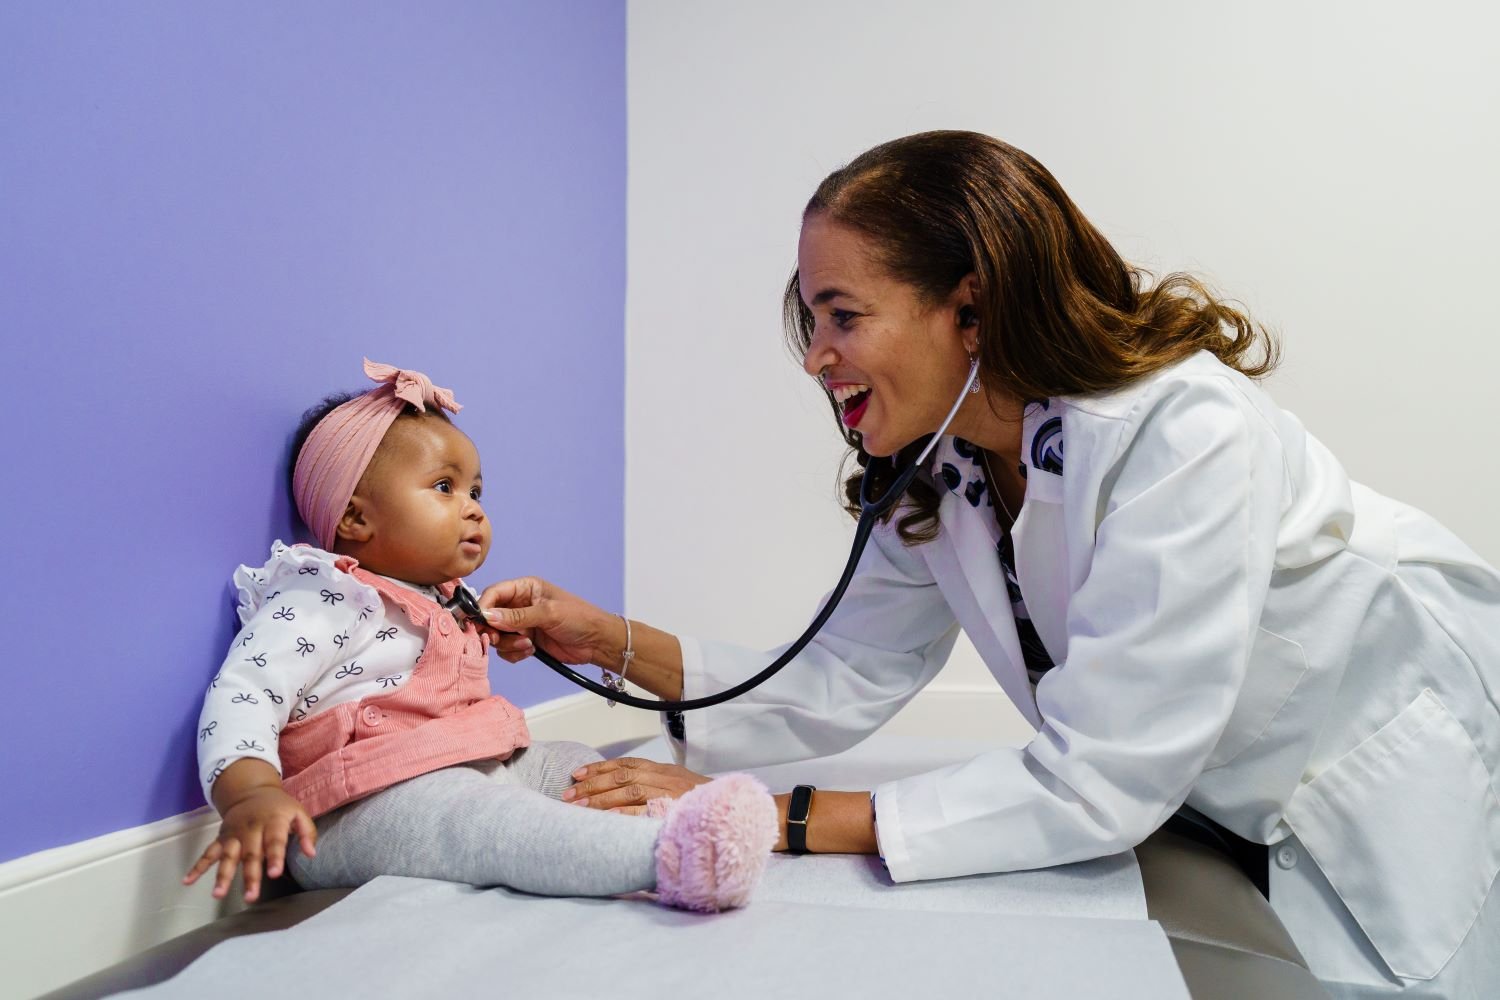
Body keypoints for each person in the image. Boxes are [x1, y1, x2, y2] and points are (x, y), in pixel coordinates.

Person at [481, 132, 1500, 998]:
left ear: (969, 308)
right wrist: (606, 641)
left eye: (844, 315)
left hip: (1392, 757)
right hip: (1230, 794)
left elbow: (1105, 771)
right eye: (813, 318)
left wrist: (784, 818)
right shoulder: (952, 463)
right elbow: (844, 673)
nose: (815, 355)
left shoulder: (1182, 431)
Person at [182, 359, 776, 914]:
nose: (472, 509)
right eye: (445, 487)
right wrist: (251, 793)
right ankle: (667, 856)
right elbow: (245, 692)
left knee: (568, 764)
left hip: (467, 767)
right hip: (355, 809)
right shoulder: (322, 596)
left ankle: (670, 818)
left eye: (476, 492)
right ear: (354, 519)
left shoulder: (444, 598)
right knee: (487, 823)